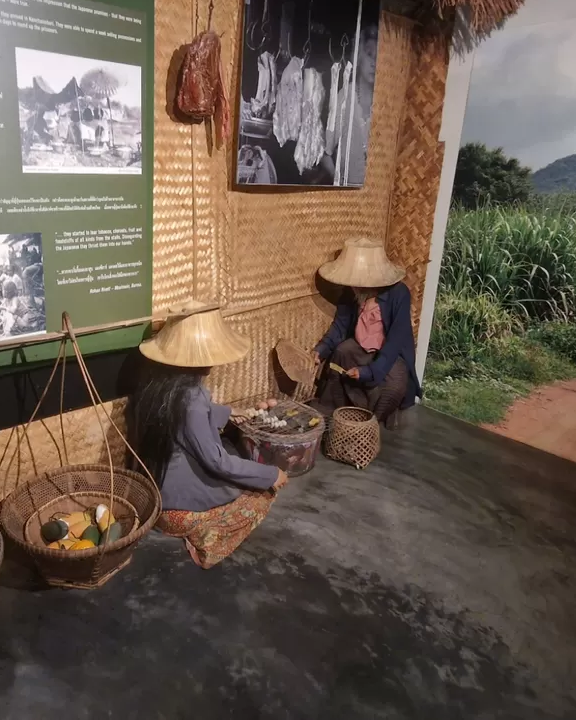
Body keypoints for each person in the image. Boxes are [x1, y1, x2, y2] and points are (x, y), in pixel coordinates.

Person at [128, 302, 288, 568]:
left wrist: (228, 412)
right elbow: (217, 461)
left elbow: (182, 418)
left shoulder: (153, 386)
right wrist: (272, 474)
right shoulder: (191, 399)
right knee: (262, 496)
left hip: (151, 499)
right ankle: (207, 539)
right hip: (175, 512)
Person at [312, 237, 420, 426]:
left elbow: (395, 342)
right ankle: (337, 412)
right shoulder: (350, 292)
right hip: (360, 348)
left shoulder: (399, 294)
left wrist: (370, 372)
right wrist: (321, 350)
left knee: (394, 387)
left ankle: (369, 423)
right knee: (341, 352)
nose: (356, 287)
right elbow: (340, 326)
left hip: (389, 354)